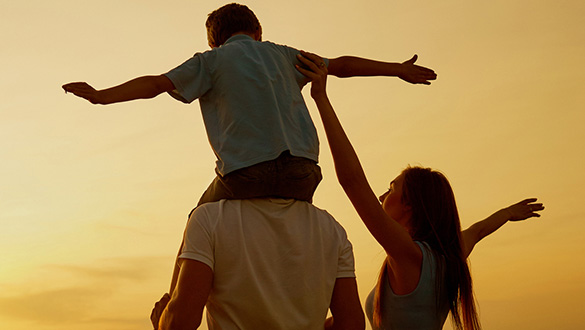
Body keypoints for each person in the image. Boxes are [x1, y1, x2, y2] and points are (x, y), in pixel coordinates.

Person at [63, 3, 437, 296]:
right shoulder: (284, 54)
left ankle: (175, 300)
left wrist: (101, 97)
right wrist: (396, 69)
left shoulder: (209, 61)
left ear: (214, 41)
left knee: (196, 219)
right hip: (304, 174)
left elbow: (157, 84)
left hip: (246, 174)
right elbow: (340, 65)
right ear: (258, 33)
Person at [296, 51, 544, 330]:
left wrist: (321, 98)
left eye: (391, 189)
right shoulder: (450, 255)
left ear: (409, 205)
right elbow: (479, 229)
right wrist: (508, 213)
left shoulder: (407, 255)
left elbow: (353, 182)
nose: (381, 196)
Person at [154, 198, 364, 330]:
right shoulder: (331, 228)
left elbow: (181, 323)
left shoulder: (209, 217)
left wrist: (162, 322)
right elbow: (352, 325)